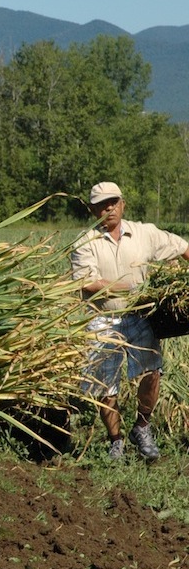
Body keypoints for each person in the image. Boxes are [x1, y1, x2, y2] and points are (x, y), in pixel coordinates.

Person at [71, 181, 189, 460]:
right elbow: (89, 284)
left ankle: (142, 427)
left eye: (113, 202)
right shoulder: (84, 242)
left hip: (139, 316)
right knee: (104, 386)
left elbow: (183, 247)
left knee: (151, 373)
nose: (108, 208)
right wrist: (128, 286)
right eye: (101, 204)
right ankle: (116, 440)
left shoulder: (145, 233)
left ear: (123, 204)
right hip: (103, 319)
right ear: (92, 210)